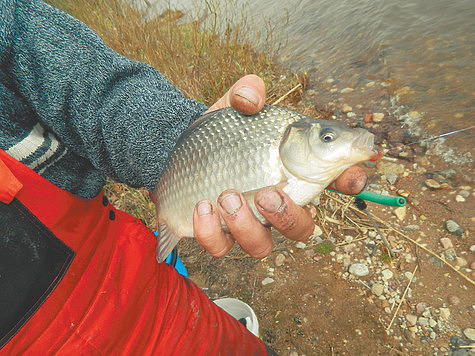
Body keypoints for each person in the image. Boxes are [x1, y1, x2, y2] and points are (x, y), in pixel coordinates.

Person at [0, 0, 367, 354]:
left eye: (326, 137)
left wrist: (171, 144)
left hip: (138, 284)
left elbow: (88, 85)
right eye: (327, 138)